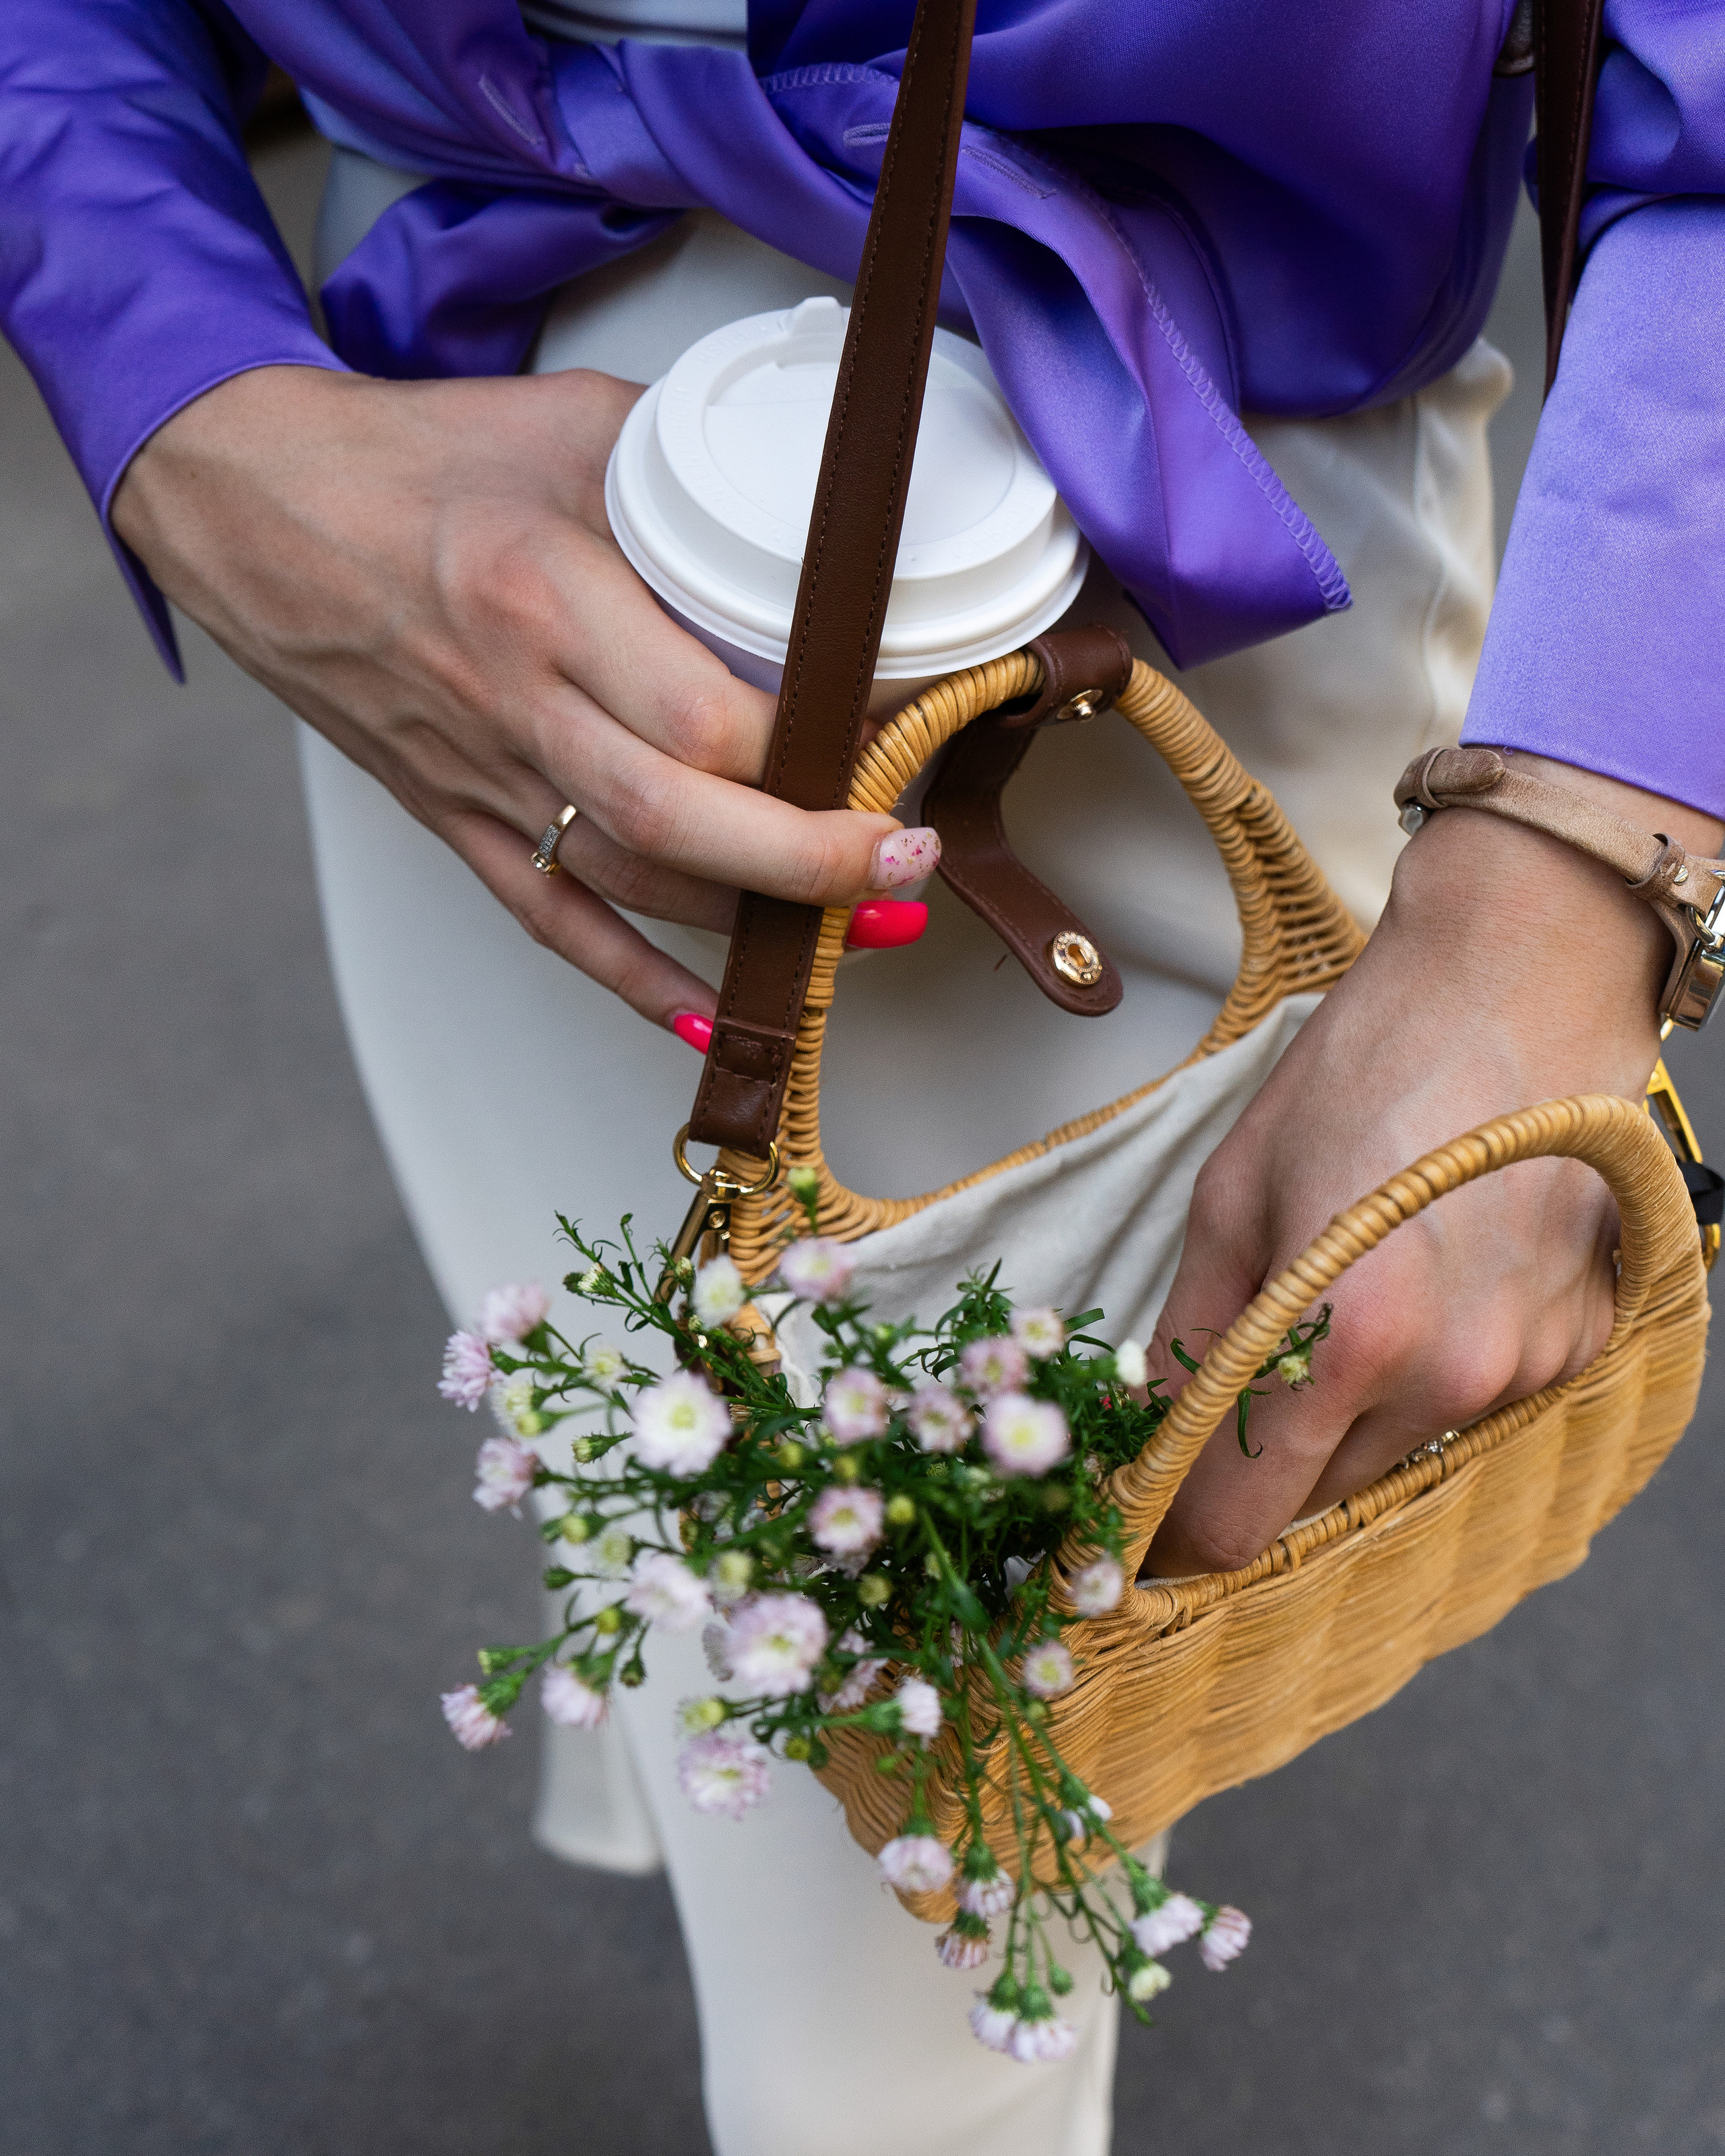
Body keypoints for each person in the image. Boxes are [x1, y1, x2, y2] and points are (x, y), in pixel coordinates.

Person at [5, 4, 1722, 2151]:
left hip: (1161, 488)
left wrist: (1570, 870)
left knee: (908, 2000)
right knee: (660, 1456)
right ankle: (684, 1760)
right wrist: (194, 409)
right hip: (443, 490)